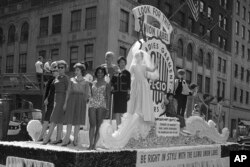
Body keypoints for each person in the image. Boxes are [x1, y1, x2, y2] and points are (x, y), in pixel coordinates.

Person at [62, 63, 90, 146]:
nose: (75, 71)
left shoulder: (86, 82)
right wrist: (65, 103)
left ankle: (75, 139)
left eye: (77, 70)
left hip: (81, 102)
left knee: (77, 121)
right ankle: (66, 139)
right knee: (69, 120)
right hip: (72, 100)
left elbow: (87, 94)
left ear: (82, 71)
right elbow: (68, 92)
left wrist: (84, 102)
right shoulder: (71, 80)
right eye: (75, 70)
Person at [42, 60, 69, 145]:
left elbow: (68, 91)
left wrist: (65, 103)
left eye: (62, 67)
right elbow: (51, 89)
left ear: (65, 68)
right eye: (59, 67)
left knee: (53, 118)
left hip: (62, 99)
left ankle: (46, 138)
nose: (60, 69)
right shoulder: (56, 78)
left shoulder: (66, 78)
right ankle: (58, 138)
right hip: (56, 99)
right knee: (59, 120)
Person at [88, 66, 110, 150]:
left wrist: (107, 109)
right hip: (92, 104)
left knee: (98, 125)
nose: (100, 73)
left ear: (104, 74)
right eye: (98, 72)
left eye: (101, 72)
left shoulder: (106, 84)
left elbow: (108, 97)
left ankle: (94, 145)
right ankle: (90, 144)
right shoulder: (92, 83)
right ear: (96, 73)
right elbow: (90, 94)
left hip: (102, 104)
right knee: (92, 125)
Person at [37, 61, 58, 142]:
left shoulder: (60, 79)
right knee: (47, 118)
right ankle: (42, 136)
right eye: (52, 70)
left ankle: (47, 136)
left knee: (53, 120)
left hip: (56, 101)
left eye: (54, 70)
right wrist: (46, 99)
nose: (52, 71)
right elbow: (48, 91)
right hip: (50, 101)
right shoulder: (51, 80)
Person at [111, 56, 131, 128]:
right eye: (121, 62)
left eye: (124, 62)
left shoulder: (127, 73)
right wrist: (112, 87)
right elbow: (112, 82)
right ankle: (118, 128)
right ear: (118, 64)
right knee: (117, 112)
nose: (122, 63)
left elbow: (128, 83)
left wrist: (128, 93)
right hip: (116, 94)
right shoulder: (115, 73)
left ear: (125, 63)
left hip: (123, 93)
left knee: (123, 111)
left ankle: (123, 128)